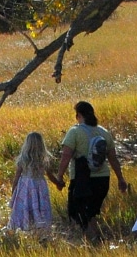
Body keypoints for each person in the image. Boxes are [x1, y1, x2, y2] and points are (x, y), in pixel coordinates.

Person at [52, 100, 128, 233]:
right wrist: (121, 179)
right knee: (91, 212)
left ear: (79, 115)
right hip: (103, 179)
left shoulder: (75, 132)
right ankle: (95, 241)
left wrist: (59, 177)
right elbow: (113, 159)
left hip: (82, 180)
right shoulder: (104, 132)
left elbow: (66, 156)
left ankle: (89, 243)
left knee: (78, 214)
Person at [8, 132, 54, 233]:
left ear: (27, 144)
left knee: (26, 208)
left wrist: (13, 194)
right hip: (39, 187)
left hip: (25, 187)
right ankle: (40, 229)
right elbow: (50, 175)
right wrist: (58, 182)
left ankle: (28, 228)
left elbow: (16, 177)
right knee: (39, 207)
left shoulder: (23, 159)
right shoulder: (43, 159)